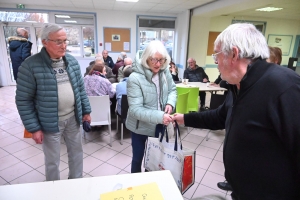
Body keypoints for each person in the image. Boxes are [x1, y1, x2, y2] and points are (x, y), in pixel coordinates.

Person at [173, 23, 300, 200]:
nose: (215, 63)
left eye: (216, 55)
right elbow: (219, 117)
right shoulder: (238, 85)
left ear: (233, 54)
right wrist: (184, 118)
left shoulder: (284, 86)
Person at [15, 24, 91, 181]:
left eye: (65, 41)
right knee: (52, 161)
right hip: (50, 122)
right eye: (58, 41)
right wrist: (34, 128)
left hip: (73, 119)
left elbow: (80, 90)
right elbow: (23, 100)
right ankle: (53, 189)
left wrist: (86, 111)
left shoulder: (72, 62)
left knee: (77, 154)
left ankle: (76, 183)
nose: (63, 46)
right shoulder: (30, 66)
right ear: (45, 42)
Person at [125, 40, 177, 173]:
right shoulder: (135, 78)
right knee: (138, 159)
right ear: (146, 58)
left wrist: (170, 103)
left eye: (162, 60)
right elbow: (136, 110)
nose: (158, 64)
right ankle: (136, 185)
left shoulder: (165, 73)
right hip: (140, 128)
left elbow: (172, 90)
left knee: (155, 160)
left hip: (159, 125)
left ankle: (150, 186)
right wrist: (161, 116)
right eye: (154, 60)